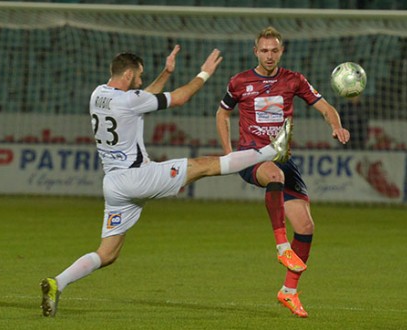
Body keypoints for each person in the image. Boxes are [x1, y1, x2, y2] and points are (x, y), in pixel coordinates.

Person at [40, 45, 293, 317]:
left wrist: (166, 72)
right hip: (137, 177)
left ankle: (58, 282)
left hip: (114, 184)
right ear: (127, 74)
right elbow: (180, 98)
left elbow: (143, 96)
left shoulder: (98, 95)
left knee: (108, 253)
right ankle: (271, 151)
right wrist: (204, 74)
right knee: (203, 166)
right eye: (138, 76)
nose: (140, 81)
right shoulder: (129, 100)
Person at [215, 27, 350, 318]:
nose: (269, 55)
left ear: (281, 51)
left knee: (306, 226)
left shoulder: (294, 80)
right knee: (273, 175)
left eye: (274, 50)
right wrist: (229, 152)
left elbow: (326, 107)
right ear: (256, 52)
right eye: (264, 50)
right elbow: (222, 112)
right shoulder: (239, 82)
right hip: (252, 157)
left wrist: (335, 125)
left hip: (283, 158)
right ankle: (281, 245)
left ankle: (288, 291)